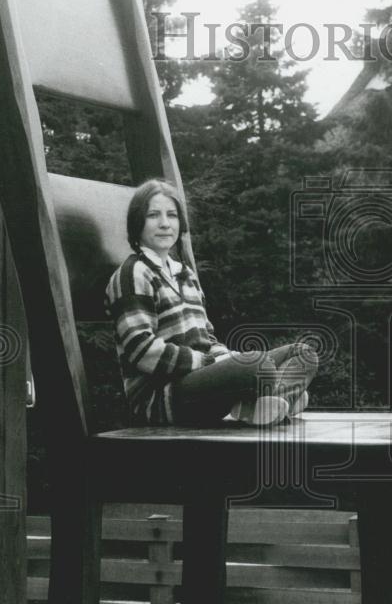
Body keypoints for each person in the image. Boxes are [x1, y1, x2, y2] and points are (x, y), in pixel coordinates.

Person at [105, 179, 317, 427]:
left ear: (180, 223)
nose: (164, 223)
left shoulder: (184, 274)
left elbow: (207, 339)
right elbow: (142, 352)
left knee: (303, 354)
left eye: (172, 215)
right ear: (137, 222)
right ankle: (277, 400)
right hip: (160, 397)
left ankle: (262, 405)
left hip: (201, 381)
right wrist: (210, 363)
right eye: (153, 215)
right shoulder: (133, 274)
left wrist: (226, 357)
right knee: (260, 366)